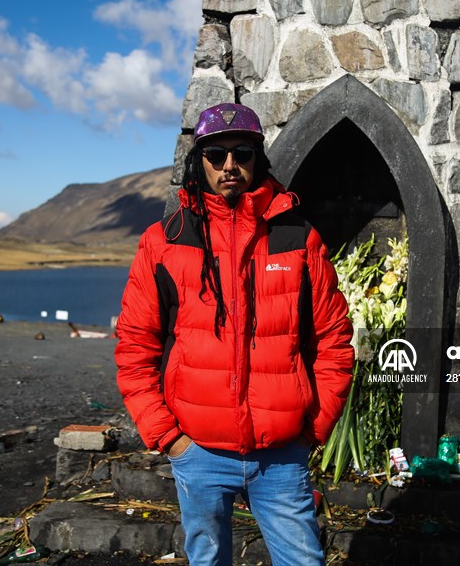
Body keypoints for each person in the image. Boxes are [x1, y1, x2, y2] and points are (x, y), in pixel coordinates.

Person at [115, 103, 354, 565]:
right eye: (216, 155)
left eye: (242, 153)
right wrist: (168, 438)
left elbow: (334, 342)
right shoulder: (164, 241)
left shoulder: (298, 238)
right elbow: (134, 348)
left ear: (257, 159)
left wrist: (314, 428)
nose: (230, 165)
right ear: (197, 162)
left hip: (282, 455)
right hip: (197, 449)